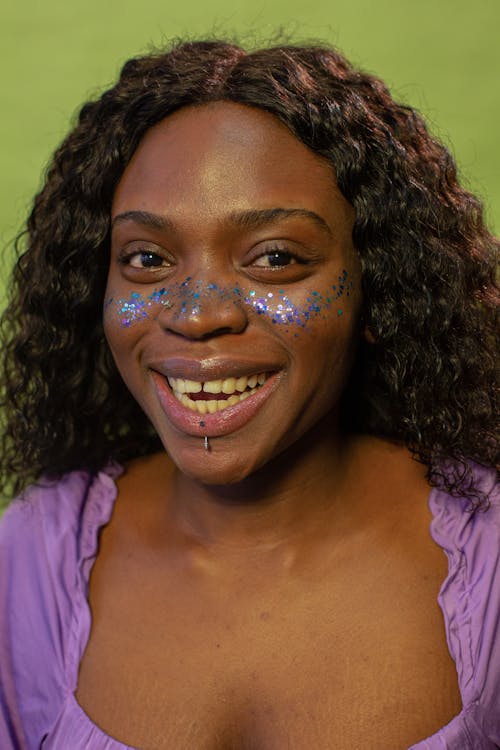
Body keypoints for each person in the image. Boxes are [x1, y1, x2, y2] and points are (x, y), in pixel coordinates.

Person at [0, 38, 498, 750]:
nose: (199, 315)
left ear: (378, 284)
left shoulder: (490, 559)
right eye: (147, 259)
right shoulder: (32, 560)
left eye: (275, 258)